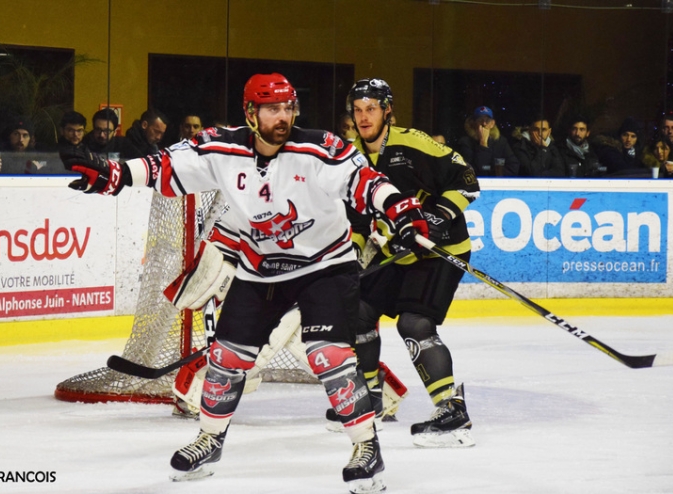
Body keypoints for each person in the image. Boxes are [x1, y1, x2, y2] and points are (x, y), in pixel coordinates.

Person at [60, 73, 431, 492]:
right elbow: (165, 165)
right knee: (227, 359)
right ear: (251, 113)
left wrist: (399, 209)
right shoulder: (222, 146)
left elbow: (366, 183)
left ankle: (366, 446)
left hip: (324, 268)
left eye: (289, 107)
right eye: (272, 108)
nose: (283, 116)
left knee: (328, 356)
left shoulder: (319, 147)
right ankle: (210, 439)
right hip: (259, 270)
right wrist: (114, 176)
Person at [343, 78, 480, 449]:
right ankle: (371, 398)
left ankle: (452, 410)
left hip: (440, 250)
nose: (363, 116)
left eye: (371, 108)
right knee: (356, 311)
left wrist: (435, 219)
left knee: (414, 323)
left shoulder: (412, 142)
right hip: (395, 253)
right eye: (357, 110)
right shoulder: (351, 157)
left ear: (387, 110)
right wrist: (355, 253)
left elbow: (467, 180)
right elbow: (356, 218)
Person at [455, 106, 519, 177]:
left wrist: (492, 172)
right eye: (480, 120)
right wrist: (483, 144)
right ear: (474, 123)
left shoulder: (501, 141)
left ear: (492, 123)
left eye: (487, 120)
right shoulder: (465, 142)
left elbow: (513, 166)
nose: (484, 123)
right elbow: (471, 170)